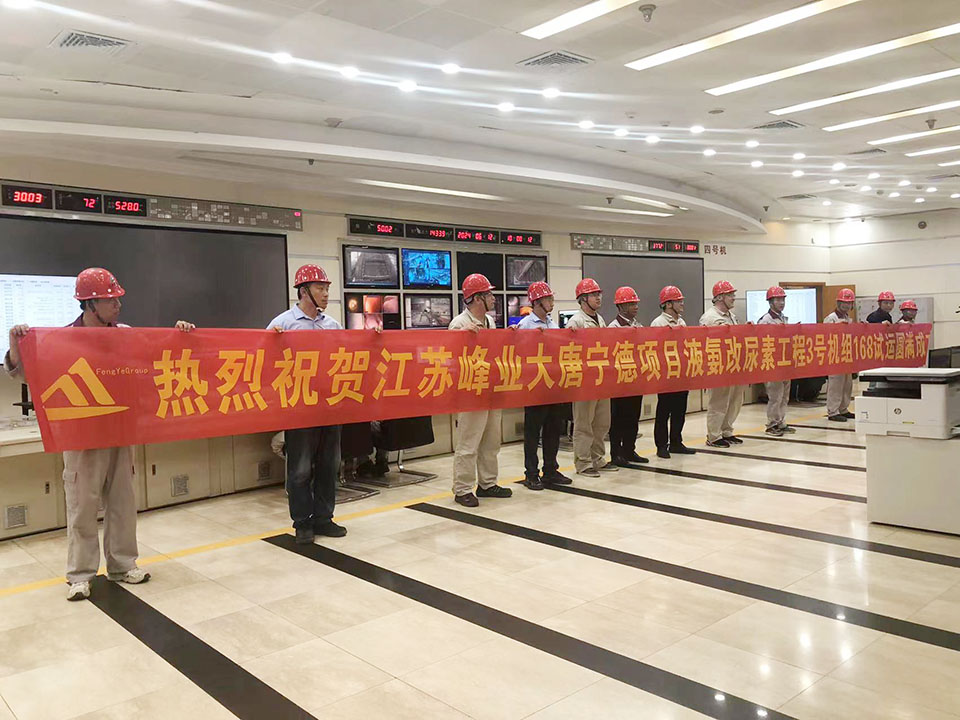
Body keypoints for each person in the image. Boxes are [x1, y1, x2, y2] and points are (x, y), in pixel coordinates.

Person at [5, 268, 195, 601]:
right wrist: (15, 341)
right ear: (90, 304)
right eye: (111, 300)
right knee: (82, 507)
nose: (118, 304)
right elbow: (25, 374)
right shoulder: (63, 339)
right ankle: (80, 575)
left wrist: (180, 335)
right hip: (81, 437)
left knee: (123, 503)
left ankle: (123, 565)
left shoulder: (126, 335)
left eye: (118, 298)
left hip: (120, 433)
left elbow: (159, 359)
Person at [268, 264, 347, 543]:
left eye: (326, 288)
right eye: (320, 288)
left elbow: (348, 357)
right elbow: (263, 362)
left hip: (329, 406)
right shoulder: (283, 324)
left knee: (329, 464)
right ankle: (302, 522)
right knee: (300, 469)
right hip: (299, 408)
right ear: (303, 291)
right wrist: (274, 342)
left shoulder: (332, 325)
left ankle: (324, 518)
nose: (325, 294)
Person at [448, 273, 512, 507]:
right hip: (470, 392)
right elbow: (451, 358)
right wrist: (463, 337)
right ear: (477, 298)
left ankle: (487, 483)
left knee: (491, 441)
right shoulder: (459, 324)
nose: (493, 298)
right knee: (469, 442)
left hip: (490, 389)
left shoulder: (490, 322)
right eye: (488, 294)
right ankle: (462, 488)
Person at [516, 281, 572, 490]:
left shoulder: (552, 323)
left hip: (553, 385)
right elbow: (519, 354)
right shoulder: (526, 325)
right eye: (548, 298)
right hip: (535, 386)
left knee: (553, 429)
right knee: (533, 433)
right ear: (538, 302)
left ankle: (550, 470)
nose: (552, 302)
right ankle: (531, 473)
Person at [567, 278, 616, 477]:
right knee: (584, 424)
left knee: (602, 423)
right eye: (594, 294)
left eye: (598, 294)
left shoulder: (600, 319)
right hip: (585, 381)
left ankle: (598, 458)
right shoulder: (576, 322)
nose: (598, 297)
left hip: (601, 378)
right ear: (583, 299)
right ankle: (583, 462)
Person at [650, 286, 696, 459]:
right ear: (668, 304)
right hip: (666, 375)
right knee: (664, 411)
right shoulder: (658, 323)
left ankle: (676, 441)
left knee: (679, 410)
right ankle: (661, 445)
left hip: (681, 374)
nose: (682, 304)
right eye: (678, 301)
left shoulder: (681, 322)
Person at [607, 286, 649, 467]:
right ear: (621, 306)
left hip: (635, 379)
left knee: (633, 416)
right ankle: (616, 453)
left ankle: (629, 450)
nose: (636, 307)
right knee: (618, 419)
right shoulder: (613, 328)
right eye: (631, 304)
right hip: (620, 381)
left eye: (636, 303)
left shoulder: (638, 326)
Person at [700, 280, 744, 448]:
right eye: (730, 295)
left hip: (733, 365)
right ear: (720, 297)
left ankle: (726, 430)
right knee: (719, 401)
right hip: (718, 366)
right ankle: (714, 435)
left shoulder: (732, 317)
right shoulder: (709, 317)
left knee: (734, 400)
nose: (733, 298)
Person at [758, 286, 794, 437]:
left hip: (784, 362)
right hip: (772, 363)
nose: (781, 303)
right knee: (775, 396)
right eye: (778, 300)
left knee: (784, 395)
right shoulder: (765, 320)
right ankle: (772, 424)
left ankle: (781, 421)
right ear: (770, 302)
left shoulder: (783, 318)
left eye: (783, 299)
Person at [824, 288, 856, 422]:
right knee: (836, 385)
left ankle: (843, 408)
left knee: (847, 384)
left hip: (846, 356)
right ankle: (833, 411)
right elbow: (825, 336)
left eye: (849, 303)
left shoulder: (848, 318)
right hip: (835, 356)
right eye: (844, 302)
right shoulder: (831, 318)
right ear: (838, 303)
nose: (846, 305)